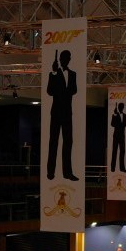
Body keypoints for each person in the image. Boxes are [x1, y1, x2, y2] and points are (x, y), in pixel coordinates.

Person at [46, 49, 78, 181]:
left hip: (67, 113)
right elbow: (50, 91)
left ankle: (67, 173)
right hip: (56, 112)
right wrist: (54, 73)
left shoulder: (73, 74)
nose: (67, 60)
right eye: (65, 58)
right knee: (53, 142)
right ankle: (50, 172)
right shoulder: (53, 74)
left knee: (68, 142)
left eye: (68, 58)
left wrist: (63, 92)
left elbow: (74, 90)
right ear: (60, 59)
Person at [109, 102, 126, 172]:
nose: (121, 108)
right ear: (118, 107)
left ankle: (122, 168)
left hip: (122, 136)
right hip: (116, 136)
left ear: (123, 107)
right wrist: (115, 115)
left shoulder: (125, 115)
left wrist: (119, 124)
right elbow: (112, 124)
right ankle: (112, 168)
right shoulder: (115, 115)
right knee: (114, 151)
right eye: (120, 107)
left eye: (122, 107)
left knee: (122, 152)